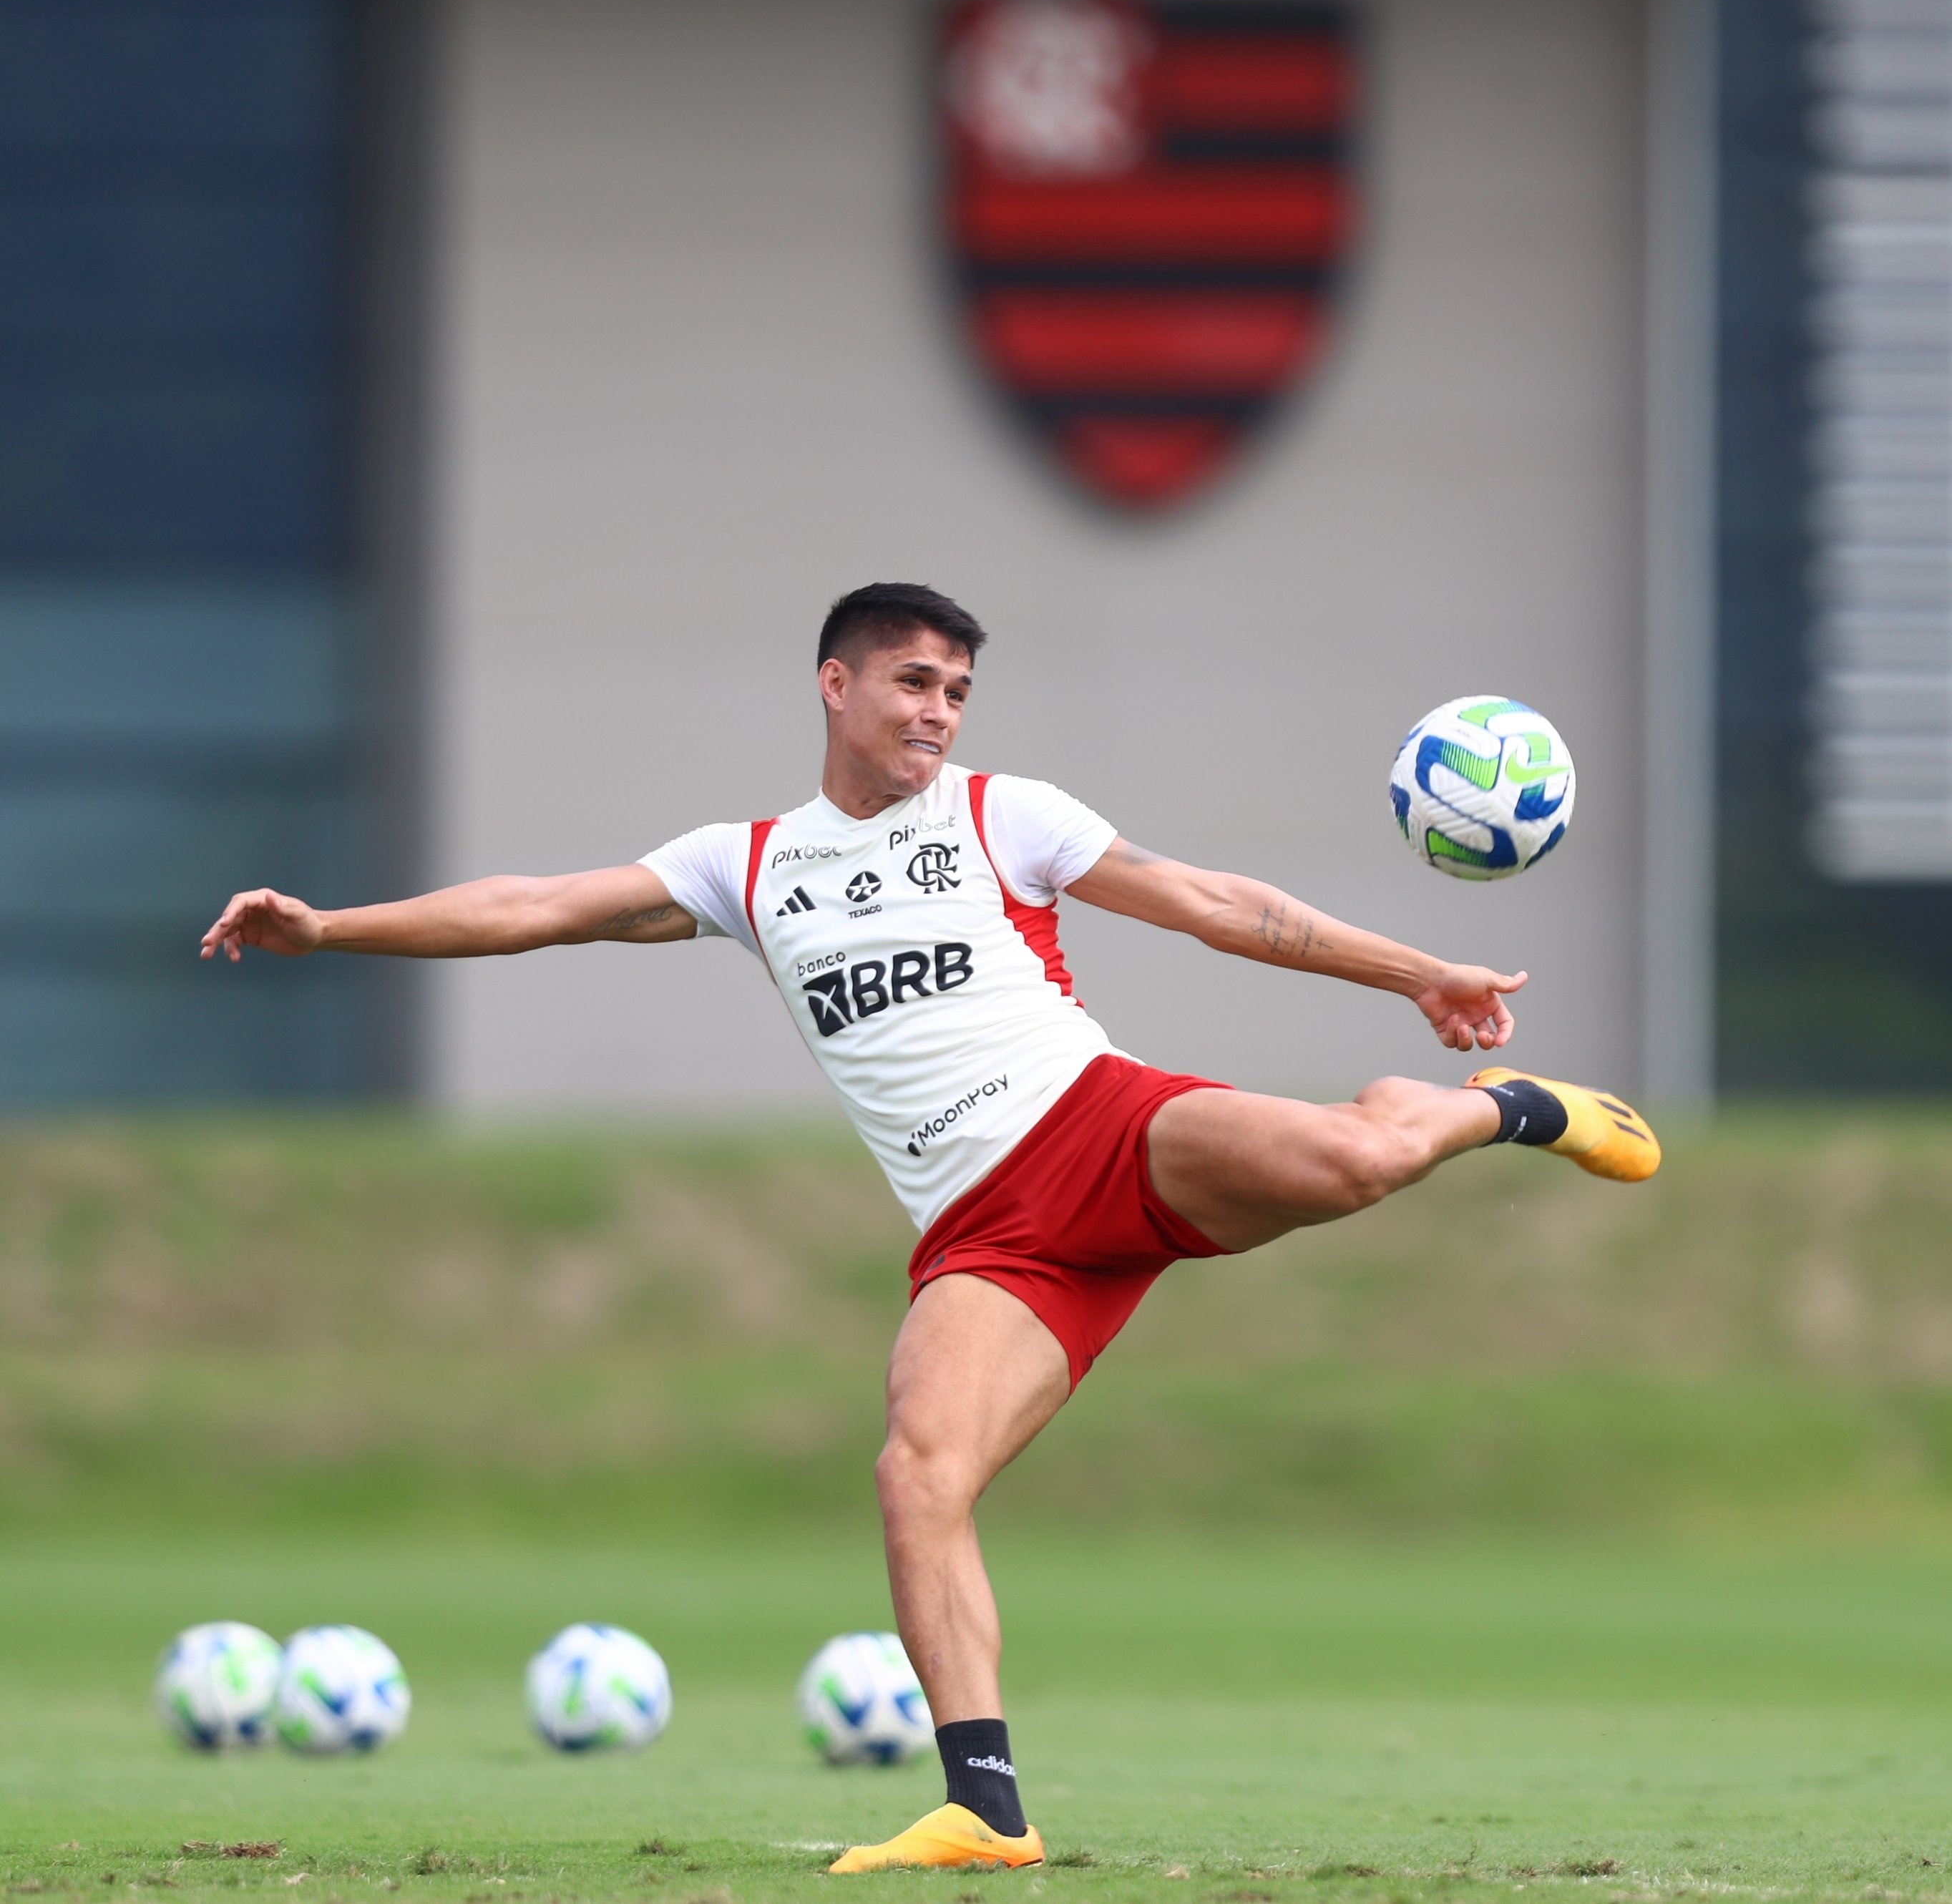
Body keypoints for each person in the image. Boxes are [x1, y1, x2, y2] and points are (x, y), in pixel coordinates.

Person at [201, 582, 1659, 1873]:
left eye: (957, 689)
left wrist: (1414, 970)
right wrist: (331, 928)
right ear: (833, 684)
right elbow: (532, 905)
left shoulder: (997, 815)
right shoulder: (749, 863)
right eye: (913, 681)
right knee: (917, 1473)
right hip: (987, 1239)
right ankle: (985, 1809)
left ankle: (1502, 1106)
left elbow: (1220, 906)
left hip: (1100, 1123)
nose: (939, 712)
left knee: (1354, 1158)